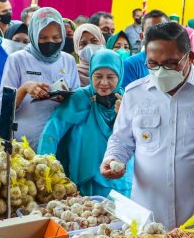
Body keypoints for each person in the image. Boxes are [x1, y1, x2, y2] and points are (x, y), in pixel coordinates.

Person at [101, 22, 194, 231]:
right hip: (148, 218)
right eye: (153, 64)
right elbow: (121, 140)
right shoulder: (134, 94)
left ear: (190, 58)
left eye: (171, 64)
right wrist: (113, 158)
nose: (161, 71)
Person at [39, 49, 132, 197]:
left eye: (111, 77)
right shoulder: (79, 99)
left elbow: (142, 138)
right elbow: (51, 132)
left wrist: (125, 116)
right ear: (90, 75)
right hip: (86, 182)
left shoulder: (128, 100)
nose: (104, 82)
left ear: (120, 76)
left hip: (121, 181)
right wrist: (44, 167)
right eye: (98, 76)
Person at [0, 7, 80, 150]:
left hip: (58, 142)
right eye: (43, 38)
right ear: (34, 35)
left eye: (56, 37)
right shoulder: (17, 59)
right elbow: (2, 107)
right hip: (23, 144)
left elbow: (78, 104)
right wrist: (24, 89)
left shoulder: (68, 61)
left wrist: (66, 97)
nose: (50, 42)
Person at [121, 9, 169, 88]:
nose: (157, 35)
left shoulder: (178, 63)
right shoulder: (130, 65)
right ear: (141, 36)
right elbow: (128, 98)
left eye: (162, 30)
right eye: (151, 31)